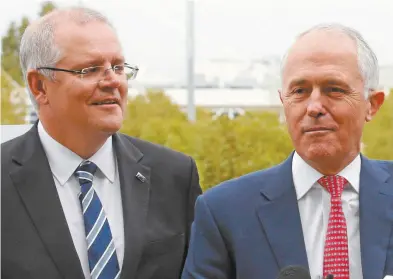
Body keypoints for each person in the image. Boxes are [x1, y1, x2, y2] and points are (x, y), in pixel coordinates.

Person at [1, 6, 202, 279]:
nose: (113, 82)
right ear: (39, 86)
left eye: (118, 67)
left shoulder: (175, 175)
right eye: (90, 69)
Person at [182, 23, 393, 279]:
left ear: (372, 104)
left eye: (334, 89)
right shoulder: (223, 213)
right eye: (300, 91)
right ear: (284, 102)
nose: (314, 107)